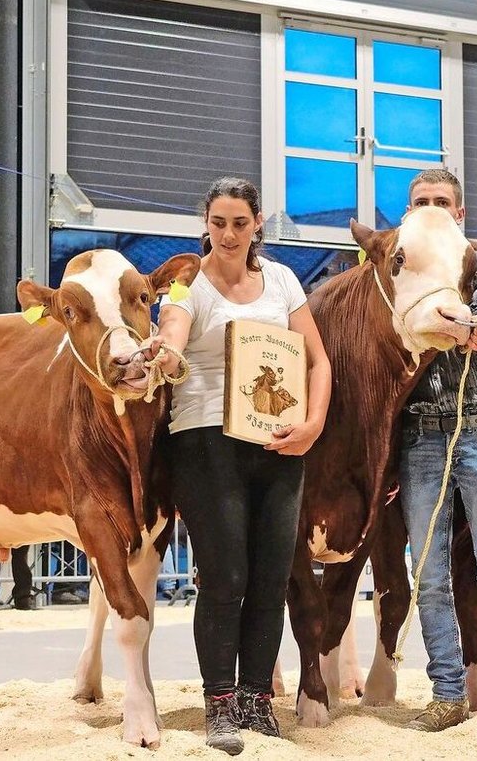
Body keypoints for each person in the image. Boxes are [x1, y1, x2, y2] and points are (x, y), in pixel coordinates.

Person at [151, 176, 332, 755]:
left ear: (257, 225)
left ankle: (257, 697)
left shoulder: (282, 280)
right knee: (226, 577)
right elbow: (173, 334)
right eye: (218, 223)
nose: (228, 234)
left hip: (278, 441)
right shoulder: (187, 283)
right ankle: (220, 702)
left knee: (273, 578)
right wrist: (165, 352)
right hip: (206, 441)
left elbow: (318, 361)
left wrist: (313, 425)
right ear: (205, 224)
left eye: (239, 223)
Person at [394, 169, 477, 744]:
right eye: (421, 201)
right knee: (426, 573)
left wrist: (476, 327)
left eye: (442, 201)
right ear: (407, 212)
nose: (432, 208)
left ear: (460, 212)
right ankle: (446, 693)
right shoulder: (396, 267)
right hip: (421, 432)